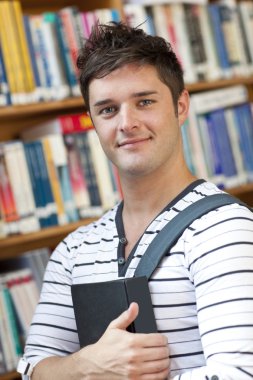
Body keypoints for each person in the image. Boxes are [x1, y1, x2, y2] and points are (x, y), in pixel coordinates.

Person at [18, 22, 253, 379]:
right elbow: (33, 368)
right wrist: (85, 366)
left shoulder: (225, 230)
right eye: (108, 110)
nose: (127, 123)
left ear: (180, 106)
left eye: (144, 102)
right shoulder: (73, 251)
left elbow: (239, 373)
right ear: (93, 122)